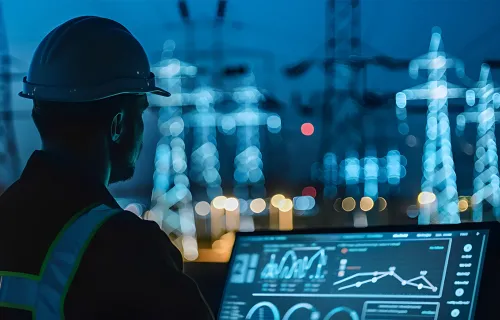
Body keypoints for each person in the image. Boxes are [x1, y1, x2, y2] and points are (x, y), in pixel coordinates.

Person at [0, 16, 214, 319]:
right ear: (119, 125)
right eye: (141, 114)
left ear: (37, 115)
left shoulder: (7, 215)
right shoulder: (127, 246)